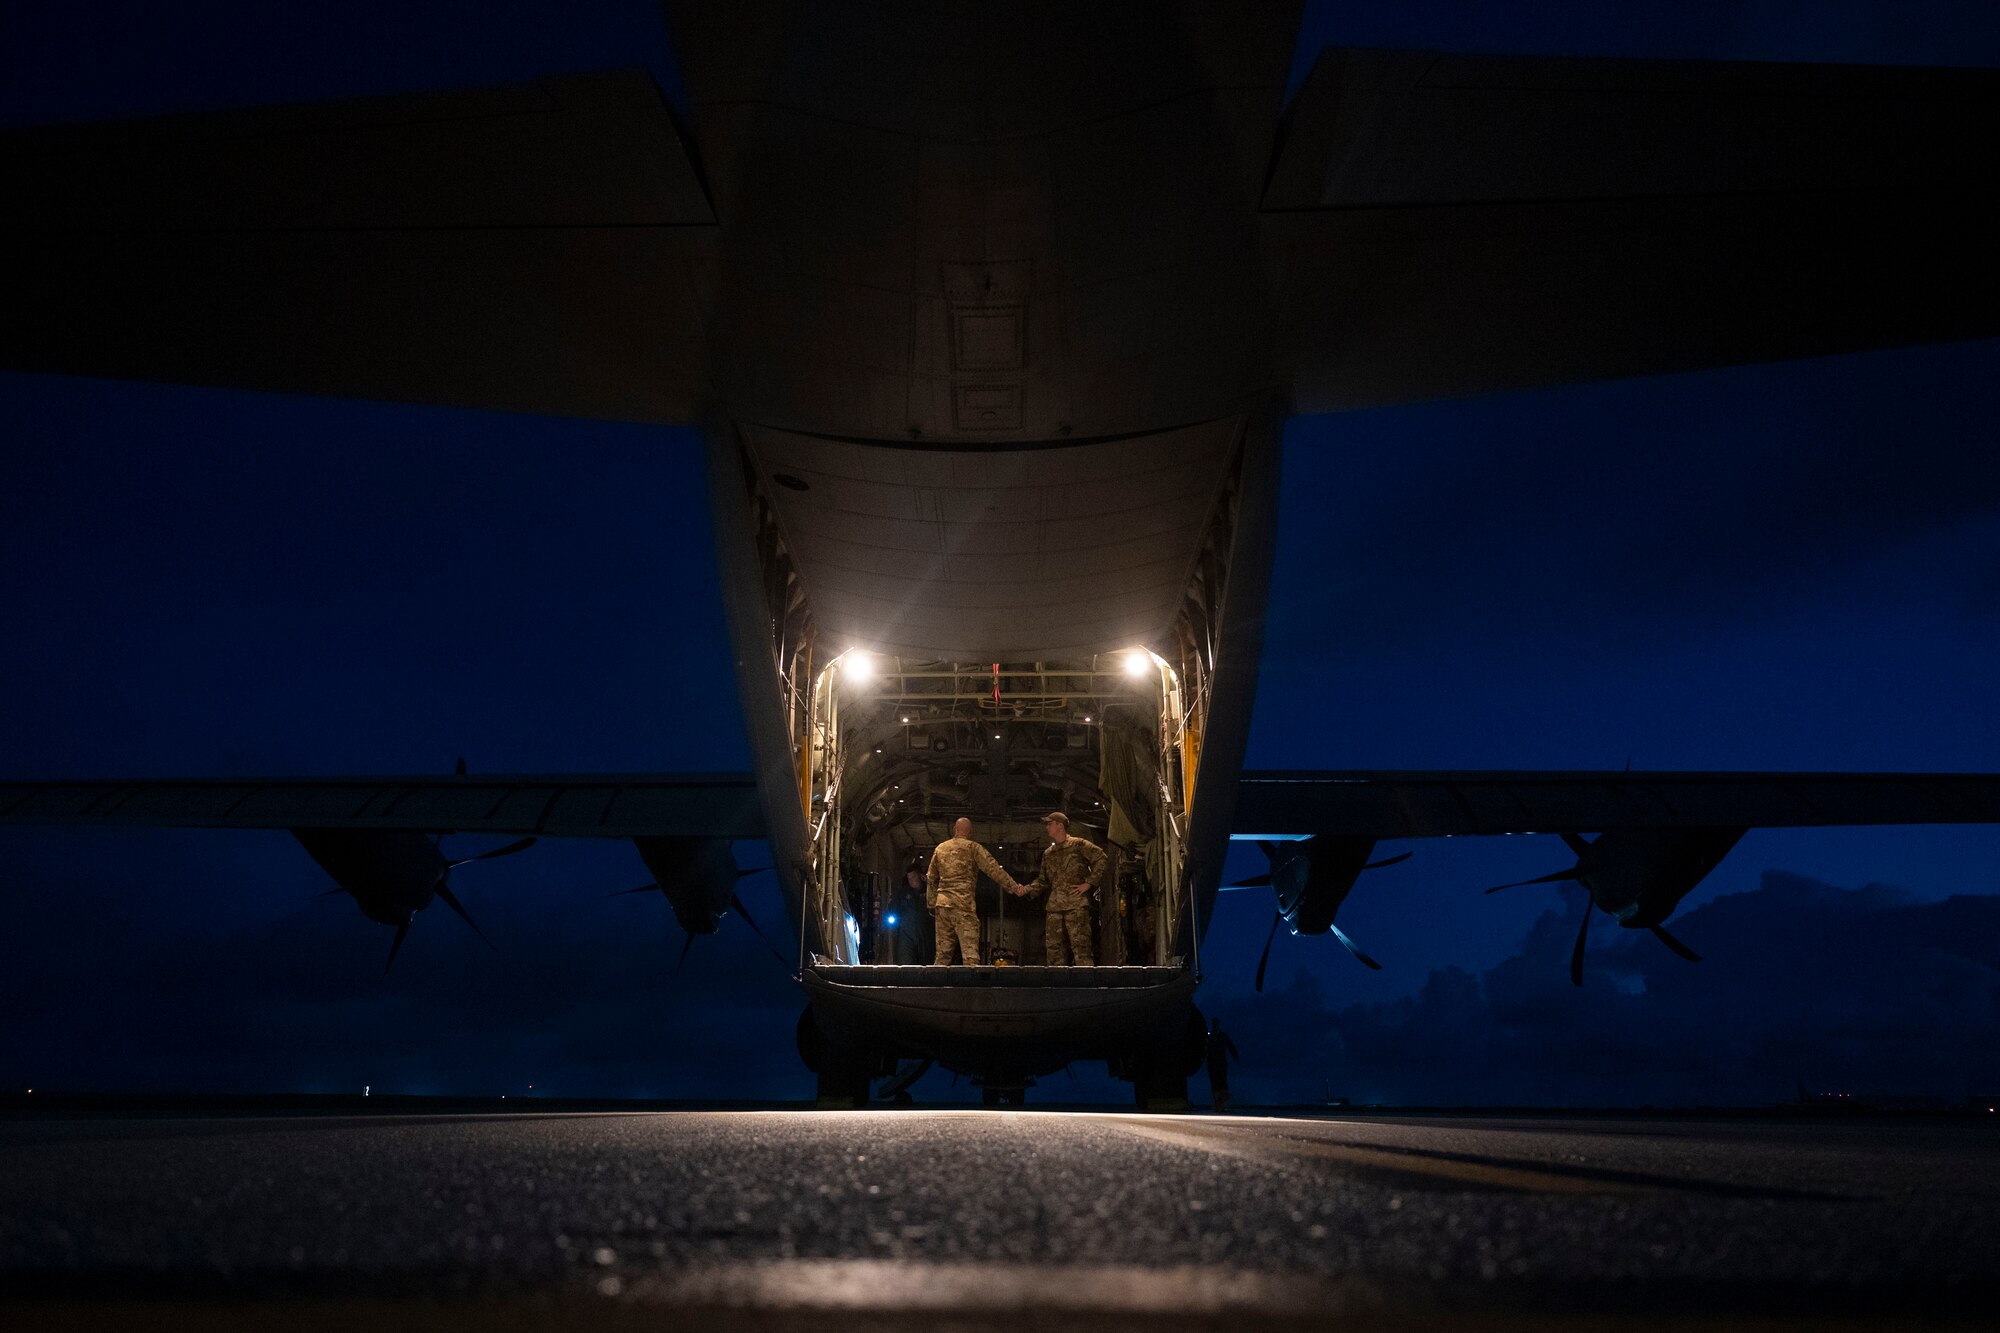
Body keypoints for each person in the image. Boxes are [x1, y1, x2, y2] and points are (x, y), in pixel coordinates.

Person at [1012, 811, 1106, 965]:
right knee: (1054, 951)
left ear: (1060, 826)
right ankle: (1057, 985)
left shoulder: (1079, 845)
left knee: (1081, 949)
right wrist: (1026, 889)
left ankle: (1086, 986)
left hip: (1076, 905)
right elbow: (1043, 880)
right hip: (1055, 908)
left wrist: (1089, 883)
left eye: (1050, 824)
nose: (1047, 827)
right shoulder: (1049, 853)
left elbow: (1101, 858)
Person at [927, 817, 1018, 965]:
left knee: (942, 956)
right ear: (969, 832)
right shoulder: (973, 848)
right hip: (963, 906)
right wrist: (1014, 887)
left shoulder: (940, 849)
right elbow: (993, 869)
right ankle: (971, 987)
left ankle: (938, 986)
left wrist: (932, 904)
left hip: (943, 906)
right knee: (970, 956)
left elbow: (931, 878)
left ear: (955, 829)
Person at [1205, 1021, 1240, 1112]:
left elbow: (1231, 1047)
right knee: (1215, 1083)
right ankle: (1217, 1104)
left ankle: (1222, 1104)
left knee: (1222, 1083)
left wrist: (1236, 1056)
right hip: (1212, 1064)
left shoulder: (1221, 1037)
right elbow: (1204, 1048)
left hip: (1220, 1064)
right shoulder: (1210, 1037)